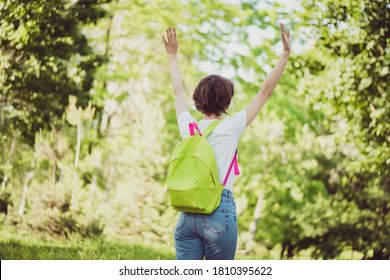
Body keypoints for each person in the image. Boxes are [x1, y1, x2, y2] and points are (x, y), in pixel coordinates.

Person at [162, 23, 291, 260]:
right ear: (227, 102)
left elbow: (178, 91)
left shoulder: (188, 127)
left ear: (198, 100)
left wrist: (172, 55)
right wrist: (284, 54)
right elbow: (265, 91)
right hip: (218, 213)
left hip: (187, 215)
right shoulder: (231, 127)